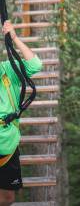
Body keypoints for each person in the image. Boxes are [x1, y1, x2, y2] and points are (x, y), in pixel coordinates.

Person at [0, 21, 43, 205]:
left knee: (8, 197)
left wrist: (15, 38)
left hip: (7, 145)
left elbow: (35, 64)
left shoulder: (8, 70)